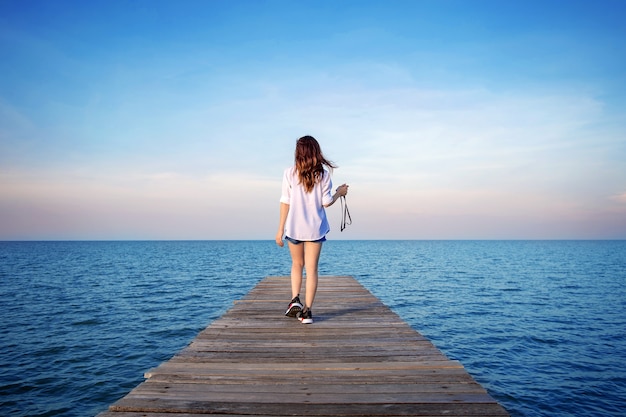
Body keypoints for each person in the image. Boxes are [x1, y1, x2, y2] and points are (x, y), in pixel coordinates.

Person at [275, 135, 349, 324]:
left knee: (296, 265)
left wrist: (279, 230)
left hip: (294, 228)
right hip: (315, 229)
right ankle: (307, 312)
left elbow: (285, 201)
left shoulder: (289, 173)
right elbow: (326, 202)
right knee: (312, 269)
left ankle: (295, 300)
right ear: (316, 152)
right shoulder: (323, 175)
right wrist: (339, 193)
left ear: (298, 153)